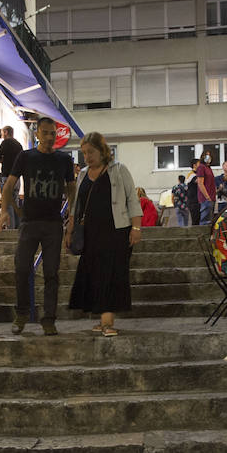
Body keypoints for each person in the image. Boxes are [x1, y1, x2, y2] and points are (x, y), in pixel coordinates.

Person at [1, 117, 76, 335]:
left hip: (53, 223)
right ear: (37, 135)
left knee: (51, 272)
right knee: (22, 267)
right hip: (30, 221)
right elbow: (9, 185)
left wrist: (72, 212)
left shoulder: (64, 159)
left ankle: (49, 319)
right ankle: (22, 313)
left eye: (53, 133)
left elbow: (71, 188)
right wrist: (5, 211)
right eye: (45, 133)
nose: (50, 137)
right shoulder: (25, 157)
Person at [67, 132, 141, 336]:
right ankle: (102, 319)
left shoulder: (119, 170)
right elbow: (77, 205)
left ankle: (107, 322)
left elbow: (132, 199)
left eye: (91, 152)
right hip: (91, 234)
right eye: (84, 153)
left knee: (110, 274)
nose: (87, 157)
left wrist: (136, 227)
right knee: (94, 276)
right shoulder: (82, 174)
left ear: (102, 150)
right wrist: (70, 228)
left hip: (116, 231)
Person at [0, 126, 25, 229]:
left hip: (7, 178)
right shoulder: (19, 145)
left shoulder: (6, 142)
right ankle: (16, 229)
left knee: (8, 204)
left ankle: (10, 229)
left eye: (2, 133)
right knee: (14, 203)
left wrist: (2, 159)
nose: (2, 136)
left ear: (6, 132)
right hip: (17, 180)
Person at [193, 154, 216, 225]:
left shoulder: (208, 168)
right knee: (205, 221)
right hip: (206, 198)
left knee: (210, 221)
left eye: (210, 155)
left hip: (212, 197)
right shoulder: (201, 167)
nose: (208, 157)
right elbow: (200, 183)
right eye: (206, 155)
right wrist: (207, 197)